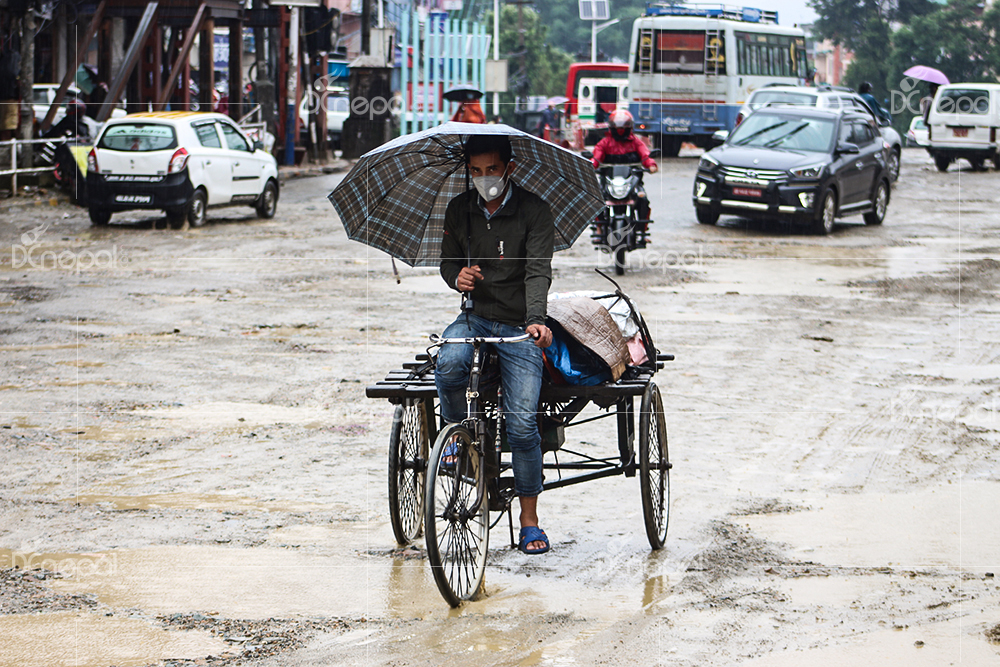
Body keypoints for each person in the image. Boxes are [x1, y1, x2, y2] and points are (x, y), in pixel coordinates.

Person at [436, 134, 555, 555]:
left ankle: (529, 520)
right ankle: (456, 440)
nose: (484, 179)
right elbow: (447, 262)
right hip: (474, 317)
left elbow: (538, 271)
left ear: (509, 168)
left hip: (521, 324)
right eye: (476, 172)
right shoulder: (460, 209)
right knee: (448, 364)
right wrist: (457, 277)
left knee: (522, 424)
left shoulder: (535, 212)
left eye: (491, 170)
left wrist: (537, 321)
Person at [591, 109, 658, 222]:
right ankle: (600, 227)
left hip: (632, 182)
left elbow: (645, 156)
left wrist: (651, 165)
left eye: (623, 128)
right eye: (617, 128)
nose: (620, 131)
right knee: (596, 199)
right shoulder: (604, 143)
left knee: (643, 199)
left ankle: (642, 229)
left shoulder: (636, 142)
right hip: (609, 181)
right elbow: (596, 158)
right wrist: (591, 166)